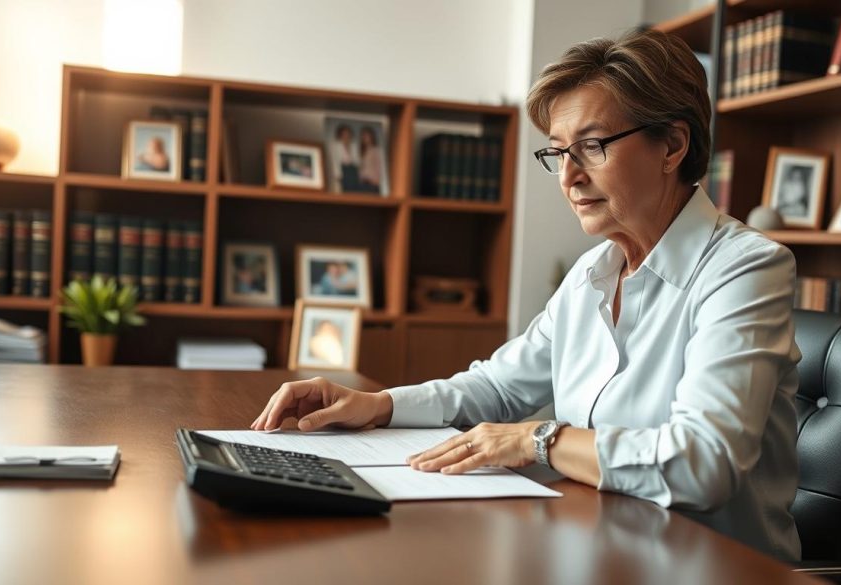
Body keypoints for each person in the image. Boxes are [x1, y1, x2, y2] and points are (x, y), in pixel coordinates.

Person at [252, 30, 802, 561]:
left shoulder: (746, 269)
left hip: (711, 566)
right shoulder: (593, 271)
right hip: (600, 544)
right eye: (558, 154)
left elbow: (704, 463)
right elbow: (497, 386)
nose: (569, 177)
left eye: (591, 147)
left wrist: (540, 440)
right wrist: (380, 405)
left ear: (673, 145)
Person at [332, 124, 360, 191]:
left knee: (354, 189)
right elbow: (335, 160)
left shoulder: (354, 145)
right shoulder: (336, 145)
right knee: (344, 189)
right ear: (340, 135)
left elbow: (357, 160)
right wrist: (337, 174)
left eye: (348, 134)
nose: (346, 136)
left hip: (353, 170)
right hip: (343, 170)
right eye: (344, 134)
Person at [358, 126, 384, 193]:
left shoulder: (376, 150)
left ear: (372, 137)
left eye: (367, 136)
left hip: (372, 184)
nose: (365, 138)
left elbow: (379, 167)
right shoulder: (361, 151)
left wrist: (376, 182)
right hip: (362, 183)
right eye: (363, 136)